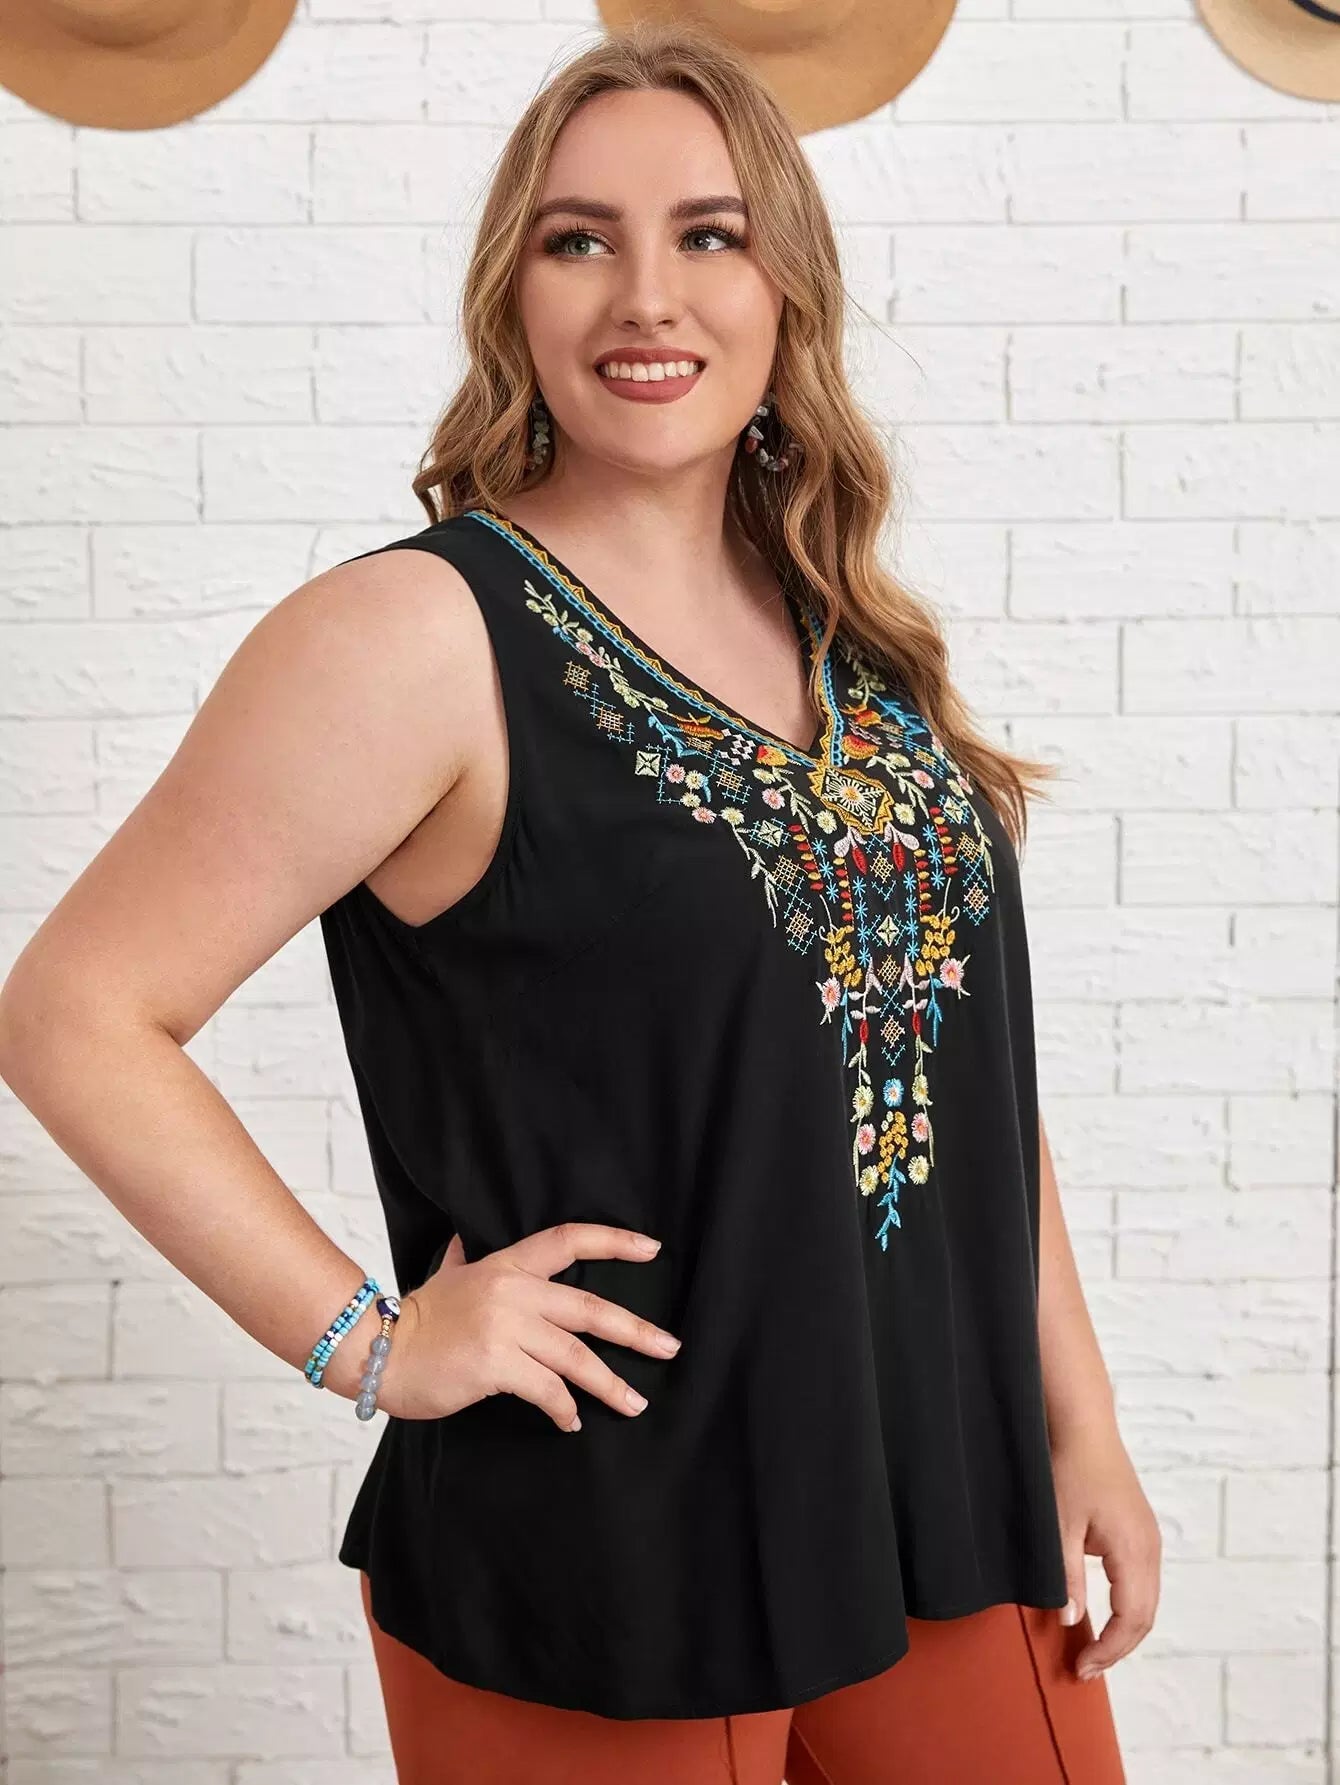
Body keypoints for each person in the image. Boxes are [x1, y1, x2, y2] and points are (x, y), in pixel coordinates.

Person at [0, 21, 1160, 1785]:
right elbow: (74, 1011)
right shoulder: (412, 638)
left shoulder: (852, 635)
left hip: (942, 1505)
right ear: (515, 295)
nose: (647, 296)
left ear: (785, 287)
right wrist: (370, 1342)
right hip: (610, 1542)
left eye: (709, 234)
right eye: (579, 239)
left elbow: (957, 1065)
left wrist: (1082, 1418)